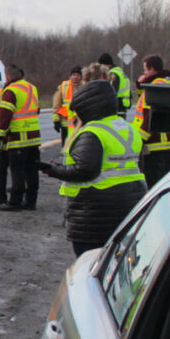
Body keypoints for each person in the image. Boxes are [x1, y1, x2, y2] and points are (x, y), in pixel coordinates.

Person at [38, 79, 146, 256]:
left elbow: (84, 170)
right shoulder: (128, 129)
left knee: (91, 264)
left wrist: (52, 170)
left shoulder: (93, 132)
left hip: (96, 213)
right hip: (131, 201)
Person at [0, 62, 41, 211]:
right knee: (32, 170)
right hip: (33, 137)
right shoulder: (32, 88)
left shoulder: (10, 91)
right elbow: (35, 110)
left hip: (17, 138)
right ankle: (31, 201)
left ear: (7, 76)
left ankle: (15, 201)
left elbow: (5, 116)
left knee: (17, 170)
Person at [134, 53, 170, 187]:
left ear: (152, 70)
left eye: (145, 70)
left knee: (152, 187)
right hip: (168, 146)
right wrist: (141, 84)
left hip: (153, 148)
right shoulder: (167, 84)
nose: (144, 73)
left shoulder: (153, 89)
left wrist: (137, 141)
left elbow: (148, 118)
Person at [52, 66, 82, 143]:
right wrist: (56, 120)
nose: (75, 77)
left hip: (79, 122)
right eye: (73, 75)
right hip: (65, 122)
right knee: (66, 144)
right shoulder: (63, 86)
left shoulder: (84, 86)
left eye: (78, 75)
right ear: (70, 76)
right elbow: (56, 103)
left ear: (81, 77)